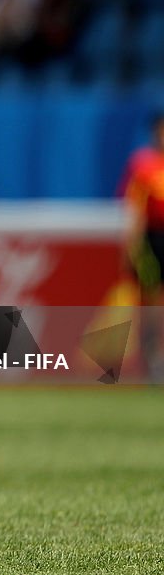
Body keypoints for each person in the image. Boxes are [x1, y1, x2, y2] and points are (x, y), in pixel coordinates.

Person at [119, 112, 164, 382]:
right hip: (153, 240)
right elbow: (134, 209)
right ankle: (152, 361)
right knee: (152, 301)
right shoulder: (143, 165)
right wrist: (130, 245)